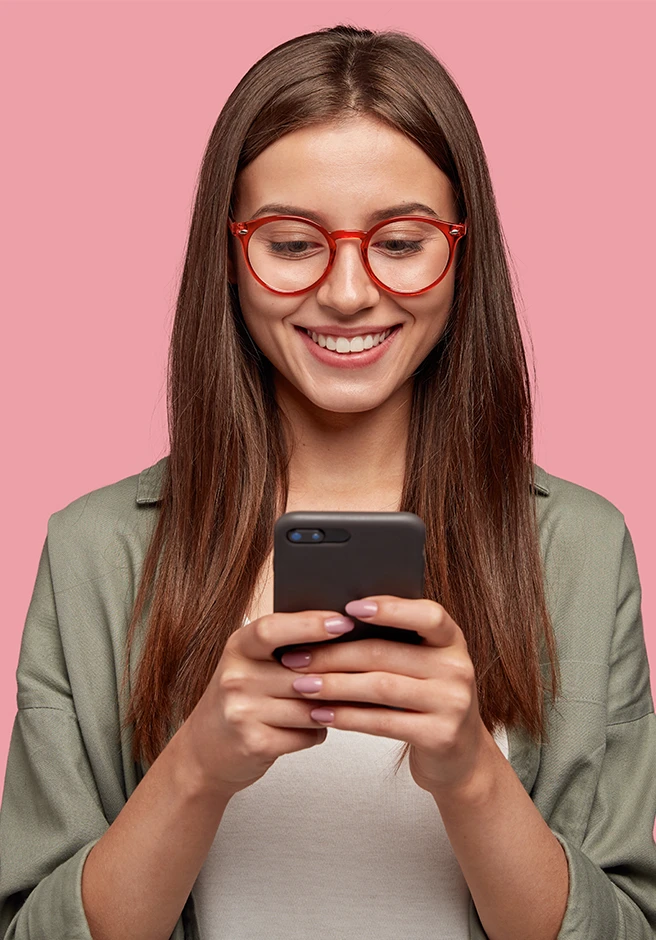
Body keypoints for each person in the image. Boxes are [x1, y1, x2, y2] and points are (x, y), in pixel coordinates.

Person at [1, 23, 655, 940]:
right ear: (230, 255)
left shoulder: (582, 549)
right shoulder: (93, 554)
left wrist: (470, 770)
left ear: (460, 254)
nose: (348, 291)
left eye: (401, 240)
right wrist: (197, 766)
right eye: (292, 240)